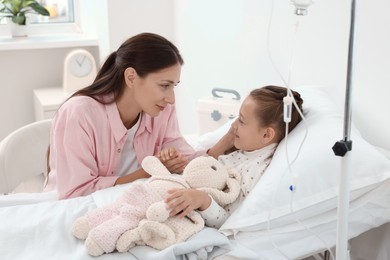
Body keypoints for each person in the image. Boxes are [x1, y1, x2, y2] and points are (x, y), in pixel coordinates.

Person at [44, 33, 206, 199]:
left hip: (129, 205)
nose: (171, 99)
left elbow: (190, 161)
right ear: (131, 77)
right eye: (164, 85)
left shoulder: (161, 110)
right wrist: (146, 173)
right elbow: (76, 193)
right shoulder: (79, 113)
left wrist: (229, 140)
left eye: (173, 86)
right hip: (69, 210)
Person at [162, 85, 304, 229]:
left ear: (266, 135)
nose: (234, 125)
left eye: (241, 121)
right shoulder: (244, 149)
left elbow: (229, 221)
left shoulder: (256, 171)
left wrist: (204, 201)